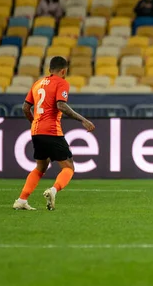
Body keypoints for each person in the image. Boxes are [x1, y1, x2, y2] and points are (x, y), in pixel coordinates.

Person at [13, 56, 95, 211]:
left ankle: (21, 200)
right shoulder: (61, 82)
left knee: (41, 167)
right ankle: (53, 190)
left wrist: (35, 122)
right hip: (51, 130)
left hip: (36, 131)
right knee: (69, 166)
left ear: (49, 70)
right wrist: (83, 120)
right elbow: (61, 105)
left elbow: (25, 107)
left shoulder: (37, 84)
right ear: (63, 71)